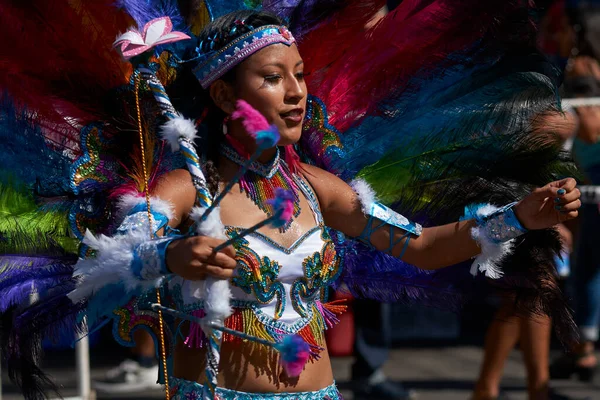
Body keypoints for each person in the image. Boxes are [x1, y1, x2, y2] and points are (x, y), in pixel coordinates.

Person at [0, 2, 582, 399]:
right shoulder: (182, 189)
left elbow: (425, 248)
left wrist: (519, 218)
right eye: (274, 78)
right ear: (225, 93)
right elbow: (113, 256)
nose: (297, 91)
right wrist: (169, 258)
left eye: (300, 75)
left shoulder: (319, 189)